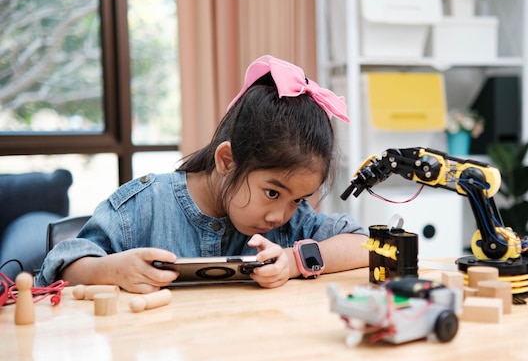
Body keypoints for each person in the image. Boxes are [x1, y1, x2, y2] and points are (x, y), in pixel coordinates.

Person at [35, 55, 368, 293]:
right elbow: (60, 267)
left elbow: (367, 245)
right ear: (227, 161)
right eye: (272, 192)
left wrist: (295, 261)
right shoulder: (146, 206)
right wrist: (108, 270)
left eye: (297, 199)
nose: (279, 215)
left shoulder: (293, 224)